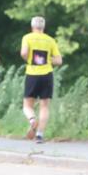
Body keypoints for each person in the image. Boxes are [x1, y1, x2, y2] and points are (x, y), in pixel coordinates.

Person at [20, 16, 62, 145]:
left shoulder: (27, 37)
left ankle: (32, 120)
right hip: (47, 75)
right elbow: (59, 61)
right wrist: (48, 60)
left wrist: (28, 59)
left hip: (32, 74)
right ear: (43, 27)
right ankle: (39, 135)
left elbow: (23, 53)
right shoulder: (50, 40)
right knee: (44, 106)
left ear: (32, 26)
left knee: (27, 105)